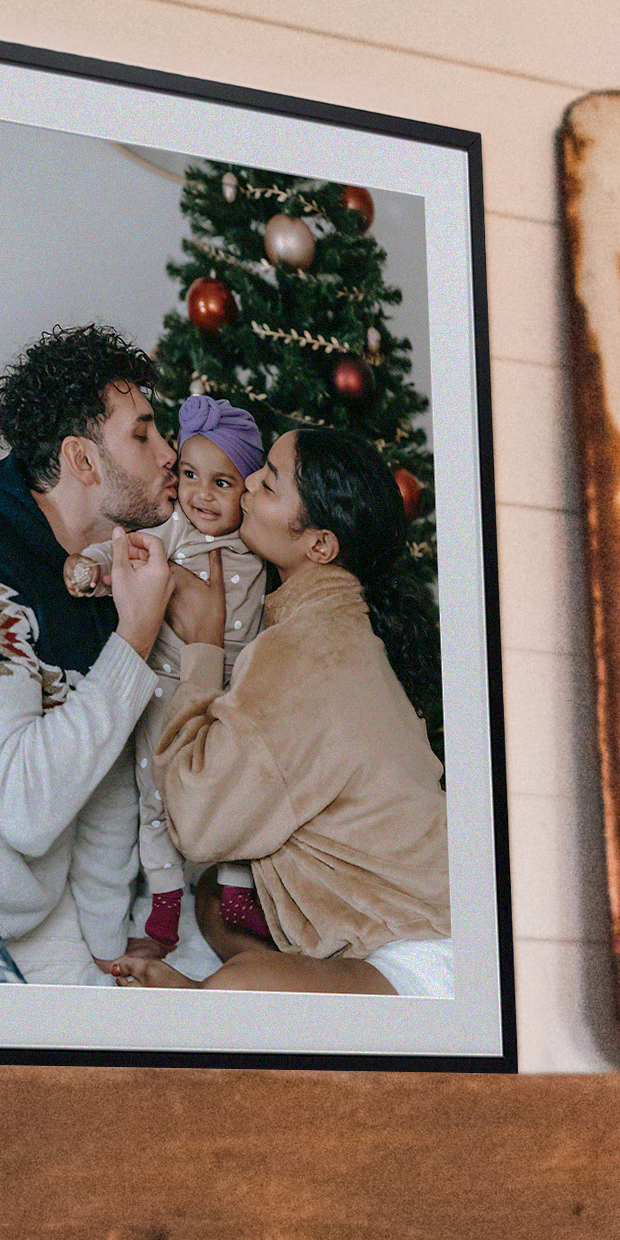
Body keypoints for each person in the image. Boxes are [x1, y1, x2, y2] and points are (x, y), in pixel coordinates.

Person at [143, 418, 456, 999]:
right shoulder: (334, 624)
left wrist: (204, 645)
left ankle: (193, 997)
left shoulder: (309, 648)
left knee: (236, 989)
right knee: (214, 902)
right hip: (411, 920)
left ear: (319, 544)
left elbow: (197, 817)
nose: (248, 480)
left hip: (426, 950)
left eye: (268, 482)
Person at [0, 323, 179, 981]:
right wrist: (135, 635)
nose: (169, 454)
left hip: (31, 912)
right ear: (83, 460)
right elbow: (25, 806)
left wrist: (106, 954)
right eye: (143, 435)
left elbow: (104, 789)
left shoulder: (98, 574)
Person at [67, 392, 269, 965]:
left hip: (231, 688)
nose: (202, 494)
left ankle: (234, 886)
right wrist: (92, 566)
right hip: (164, 681)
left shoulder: (256, 544)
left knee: (233, 786)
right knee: (155, 788)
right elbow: (128, 552)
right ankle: (164, 894)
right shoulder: (175, 526)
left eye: (223, 484)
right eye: (189, 476)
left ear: (249, 492)